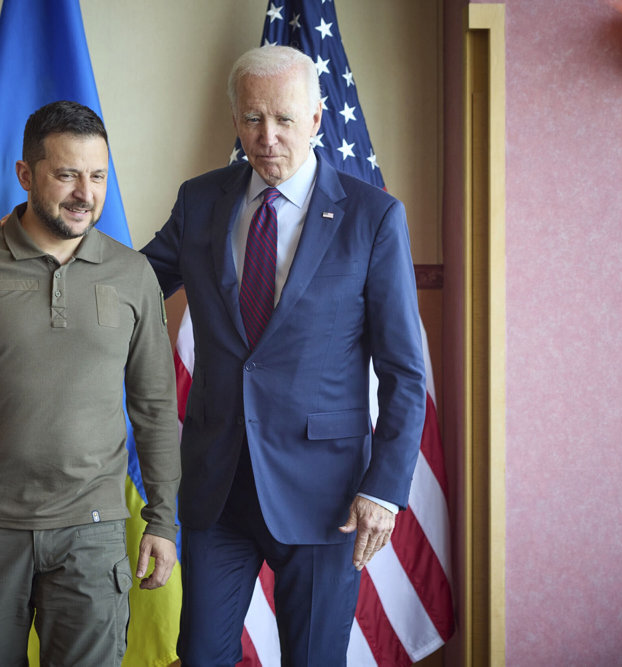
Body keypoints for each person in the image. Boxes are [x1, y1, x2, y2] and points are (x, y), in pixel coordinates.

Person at [141, 46, 427, 666]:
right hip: (218, 486)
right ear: (236, 120)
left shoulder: (374, 218)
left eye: (284, 120)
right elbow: (136, 284)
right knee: (199, 657)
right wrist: (46, 244)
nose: (265, 138)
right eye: (250, 119)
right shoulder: (200, 200)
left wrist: (385, 488)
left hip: (327, 494)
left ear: (318, 119)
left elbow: (405, 370)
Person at [0, 100, 181, 667]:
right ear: (26, 175)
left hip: (94, 534)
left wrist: (164, 518)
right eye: (67, 174)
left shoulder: (134, 275)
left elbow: (154, 405)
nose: (85, 193)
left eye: (98, 176)